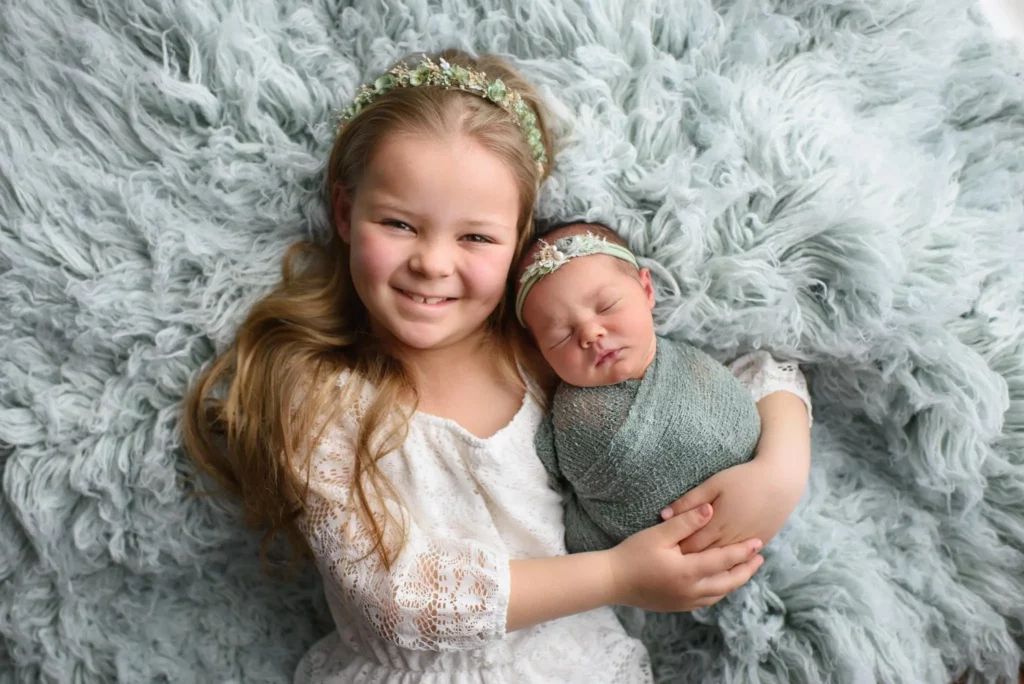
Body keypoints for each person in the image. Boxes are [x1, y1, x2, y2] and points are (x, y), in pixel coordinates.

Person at [182, 49, 808, 683]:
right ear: (345, 213)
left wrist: (779, 469)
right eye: (399, 223)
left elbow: (756, 374)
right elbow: (393, 598)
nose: (432, 263)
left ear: (517, 240)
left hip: (577, 663)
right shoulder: (320, 397)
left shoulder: (542, 349)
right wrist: (618, 574)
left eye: (475, 237)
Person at [515, 221, 813, 555]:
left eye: (607, 306)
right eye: (561, 336)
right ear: (542, 353)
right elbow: (546, 486)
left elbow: (770, 376)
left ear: (646, 290)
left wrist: (778, 470)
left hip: (774, 519)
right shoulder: (562, 418)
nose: (590, 334)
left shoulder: (694, 356)